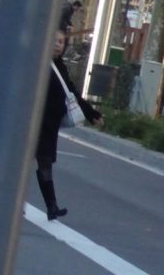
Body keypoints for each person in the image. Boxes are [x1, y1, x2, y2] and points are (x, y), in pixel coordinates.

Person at [37, 30, 104, 221]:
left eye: (61, 42)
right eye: (55, 41)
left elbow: (72, 93)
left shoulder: (60, 67)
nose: (58, 44)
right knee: (26, 164)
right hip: (33, 122)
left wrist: (92, 114)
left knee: (45, 162)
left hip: (49, 125)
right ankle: (21, 204)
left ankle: (52, 206)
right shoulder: (38, 64)